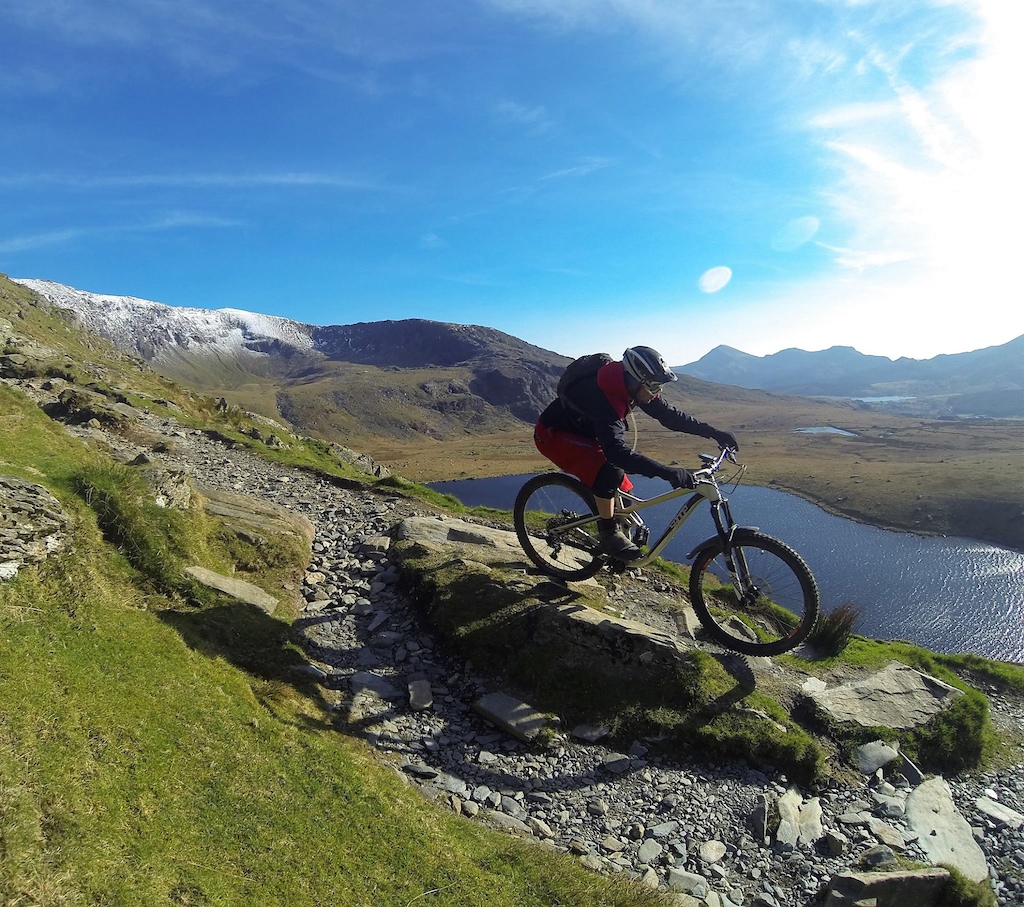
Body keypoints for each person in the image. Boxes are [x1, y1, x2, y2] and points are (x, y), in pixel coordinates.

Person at [534, 346, 738, 561]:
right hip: (554, 436)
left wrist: (714, 433)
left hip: (587, 433)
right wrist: (667, 472)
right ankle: (608, 533)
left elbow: (670, 416)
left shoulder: (633, 388)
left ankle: (617, 552)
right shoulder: (603, 398)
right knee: (610, 469)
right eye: (653, 386)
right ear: (635, 380)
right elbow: (617, 453)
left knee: (625, 495)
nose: (656, 392)